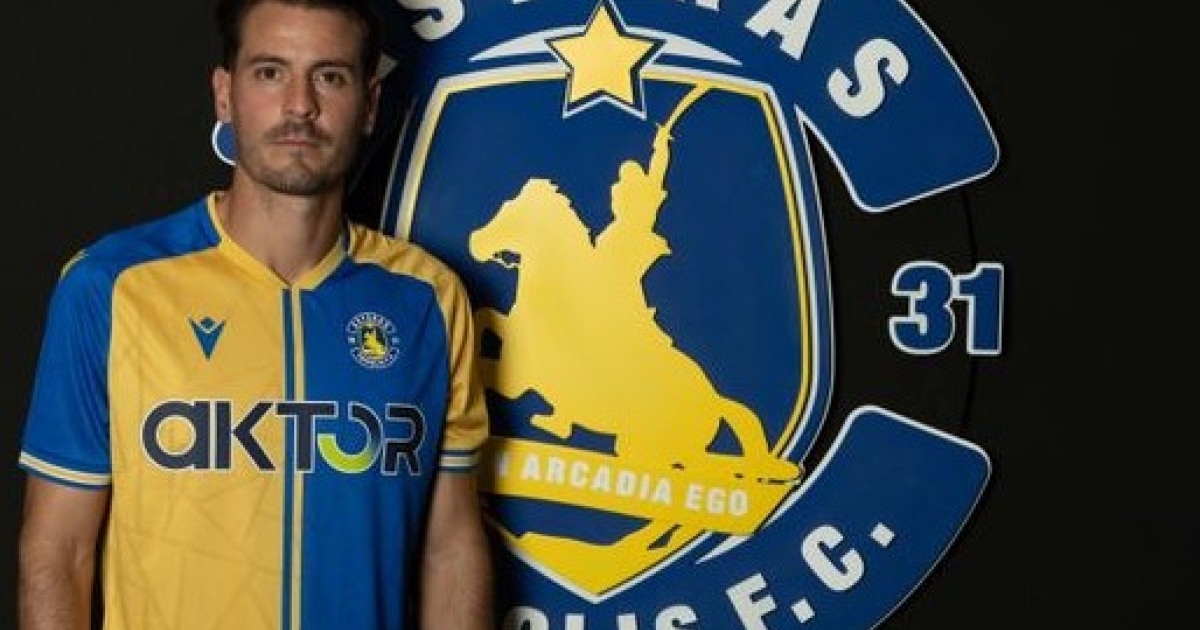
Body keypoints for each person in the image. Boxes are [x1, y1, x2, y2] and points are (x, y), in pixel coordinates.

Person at [16, 1, 493, 628]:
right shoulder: (111, 286)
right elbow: (59, 552)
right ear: (225, 94)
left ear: (370, 104)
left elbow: (450, 546)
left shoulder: (428, 298)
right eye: (270, 72)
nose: (300, 105)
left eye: (330, 76)